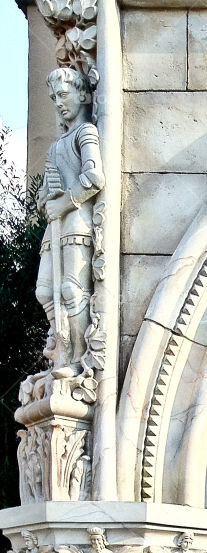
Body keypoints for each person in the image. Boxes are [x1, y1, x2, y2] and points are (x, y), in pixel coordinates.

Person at [35, 66, 104, 378]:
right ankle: (62, 349)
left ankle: (78, 356)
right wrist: (45, 199)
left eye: (63, 95)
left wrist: (63, 203)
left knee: (70, 289)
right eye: (54, 98)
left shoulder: (85, 132)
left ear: (82, 94)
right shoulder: (55, 146)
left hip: (76, 220)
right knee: (44, 292)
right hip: (55, 226)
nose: (59, 103)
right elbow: (46, 189)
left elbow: (94, 176)